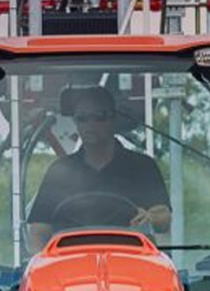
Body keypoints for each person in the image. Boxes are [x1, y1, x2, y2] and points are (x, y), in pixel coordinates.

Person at [26, 86, 171, 250]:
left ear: (113, 118)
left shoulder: (143, 166)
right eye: (82, 118)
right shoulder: (59, 172)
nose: (90, 124)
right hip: (70, 266)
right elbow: (38, 233)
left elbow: (164, 218)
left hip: (131, 263)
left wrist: (150, 217)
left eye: (99, 117)